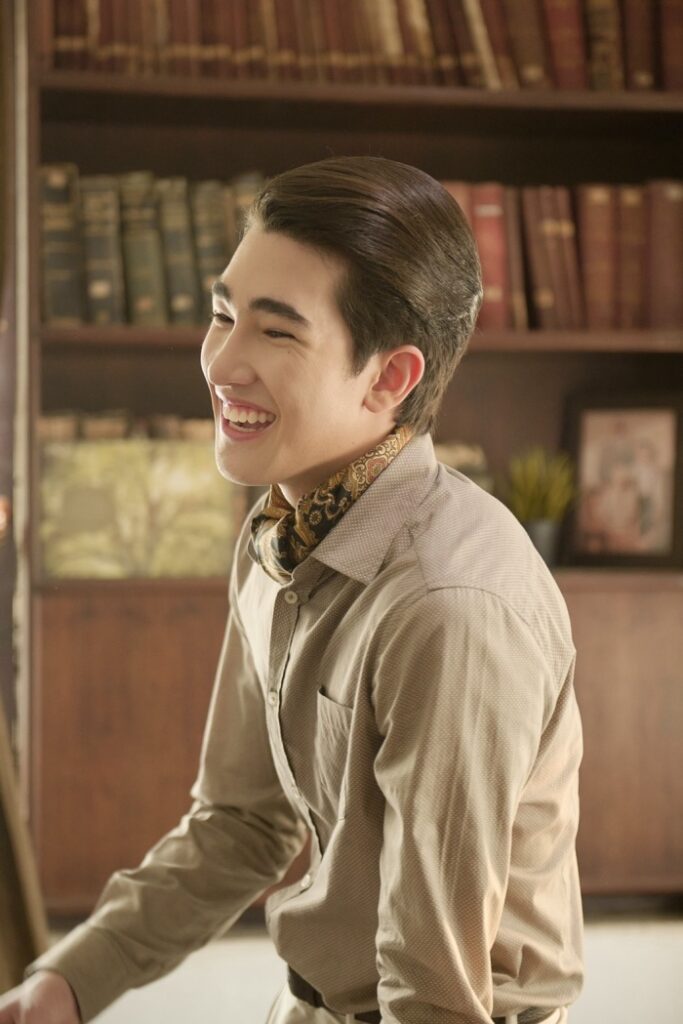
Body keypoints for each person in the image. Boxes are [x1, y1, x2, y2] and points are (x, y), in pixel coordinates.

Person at [0, 155, 583, 1024]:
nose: (221, 362)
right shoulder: (280, 531)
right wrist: (71, 979)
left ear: (389, 378)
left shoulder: (448, 610)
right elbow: (242, 824)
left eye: (276, 332)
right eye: (222, 314)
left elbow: (436, 992)